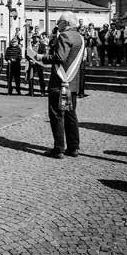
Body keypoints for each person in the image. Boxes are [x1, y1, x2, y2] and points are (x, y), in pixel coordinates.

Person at [42, 12, 85, 159]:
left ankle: (59, 148)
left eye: (59, 22)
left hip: (60, 82)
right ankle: (73, 147)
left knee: (56, 115)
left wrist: (41, 57)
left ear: (66, 23)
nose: (57, 25)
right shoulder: (80, 37)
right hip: (72, 82)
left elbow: (60, 57)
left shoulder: (64, 36)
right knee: (70, 114)